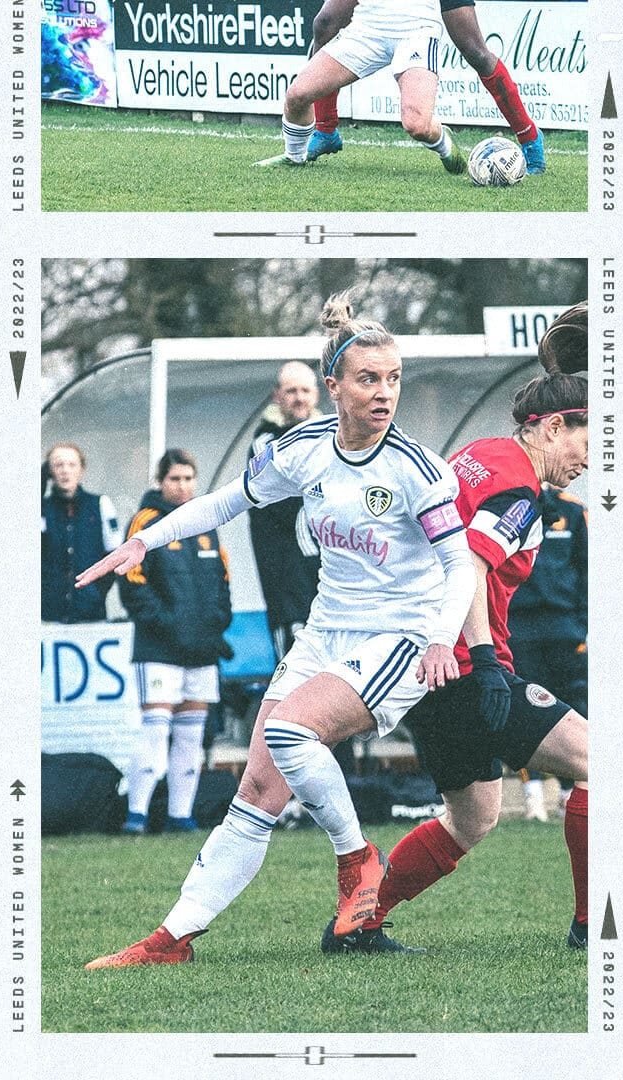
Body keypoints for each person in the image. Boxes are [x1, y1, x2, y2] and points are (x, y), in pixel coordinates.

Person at [81, 291, 480, 967]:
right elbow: (229, 501)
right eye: (368, 379)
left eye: (394, 380)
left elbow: (458, 565)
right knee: (259, 790)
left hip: (401, 637)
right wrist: (147, 541)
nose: (385, 394)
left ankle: (358, 860)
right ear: (334, 387)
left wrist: (443, 637)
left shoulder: (417, 468)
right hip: (326, 634)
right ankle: (171, 939)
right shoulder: (300, 448)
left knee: (291, 731)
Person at [350, 374, 592, 951]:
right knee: (596, 761)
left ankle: (359, 922)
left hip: (418, 665)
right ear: (553, 427)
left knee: (474, 815)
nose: (592, 457)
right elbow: (474, 569)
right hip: (459, 663)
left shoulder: (479, 454)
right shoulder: (519, 492)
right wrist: (485, 663)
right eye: (589, 439)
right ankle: (594, 928)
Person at [287, 0, 549, 174]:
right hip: (374, 19)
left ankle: (529, 137)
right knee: (325, 23)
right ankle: (325, 131)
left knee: (475, 51)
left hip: (417, 21)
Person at [118, 450, 233, 835]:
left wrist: (214, 627)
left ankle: (180, 817)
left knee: (190, 736)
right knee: (155, 731)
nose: (182, 486)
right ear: (160, 482)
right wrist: (168, 625)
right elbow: (132, 584)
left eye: (189, 478)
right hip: (159, 649)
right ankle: (135, 816)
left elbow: (223, 584)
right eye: (175, 479)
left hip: (200, 652)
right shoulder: (145, 522)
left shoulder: (206, 523)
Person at [255, 0, 467, 173]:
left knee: (417, 125)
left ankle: (443, 142)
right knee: (297, 96)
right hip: (366, 29)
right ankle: (294, 156)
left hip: (416, 30)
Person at [508, 480, 588, 822]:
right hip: (518, 628)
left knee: (577, 708)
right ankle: (533, 798)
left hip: (564, 628)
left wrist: (584, 625)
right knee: (526, 713)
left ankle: (573, 795)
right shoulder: (510, 508)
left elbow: (588, 571)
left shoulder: (572, 509)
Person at [248, 361, 326, 658]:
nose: (299, 397)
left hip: (326, 580)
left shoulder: (330, 435)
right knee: (293, 671)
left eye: (305, 390)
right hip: (287, 583)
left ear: (317, 395)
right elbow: (292, 495)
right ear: (277, 396)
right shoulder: (265, 441)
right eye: (291, 390)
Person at [41, 442, 122, 623]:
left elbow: (115, 554)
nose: (65, 471)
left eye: (71, 465)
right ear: (49, 472)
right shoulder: (41, 508)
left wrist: (96, 591)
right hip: (48, 614)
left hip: (90, 613)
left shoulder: (100, 504)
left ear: (81, 470)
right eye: (58, 465)